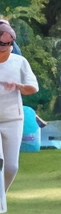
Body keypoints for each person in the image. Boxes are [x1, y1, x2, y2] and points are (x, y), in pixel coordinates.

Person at [0, 21, 38, 199]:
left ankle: (1, 196)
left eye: (5, 44)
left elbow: (33, 87)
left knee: (11, 167)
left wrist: (19, 86)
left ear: (12, 43)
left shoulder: (19, 62)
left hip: (12, 118)